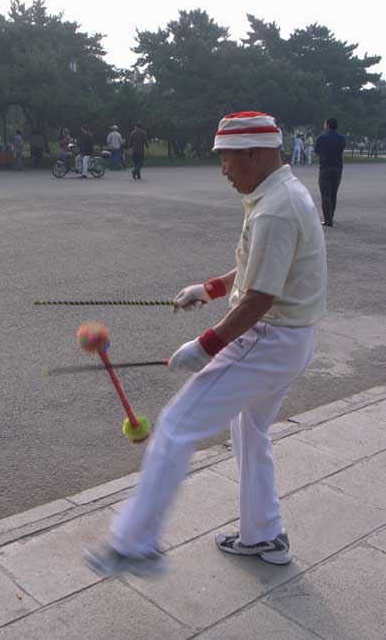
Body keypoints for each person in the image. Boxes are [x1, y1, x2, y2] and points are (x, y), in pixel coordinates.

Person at [84, 111, 327, 577]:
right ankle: (264, 534)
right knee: (249, 433)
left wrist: (206, 345)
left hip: (270, 339)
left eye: (226, 159)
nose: (222, 170)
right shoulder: (280, 191)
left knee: (176, 425)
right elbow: (263, 267)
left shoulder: (275, 207)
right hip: (291, 340)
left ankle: (136, 543)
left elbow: (259, 297)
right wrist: (211, 288)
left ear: (253, 153)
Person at [314, 117, 346, 227]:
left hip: (325, 168)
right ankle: (331, 216)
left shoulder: (321, 137)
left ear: (327, 125)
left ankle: (328, 220)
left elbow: (316, 151)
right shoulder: (342, 138)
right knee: (333, 193)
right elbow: (342, 149)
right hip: (338, 168)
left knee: (325, 194)